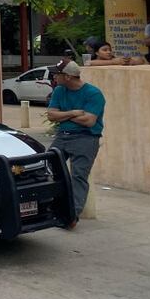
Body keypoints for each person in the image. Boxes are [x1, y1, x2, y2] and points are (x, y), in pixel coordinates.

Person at [47, 61, 105, 226]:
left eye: (57, 74)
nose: (54, 77)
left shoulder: (93, 94)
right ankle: (52, 206)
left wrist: (62, 115)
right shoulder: (59, 90)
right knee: (47, 167)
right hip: (62, 136)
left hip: (86, 138)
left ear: (68, 76)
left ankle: (72, 215)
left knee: (78, 175)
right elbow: (51, 115)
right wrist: (72, 113)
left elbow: (88, 121)